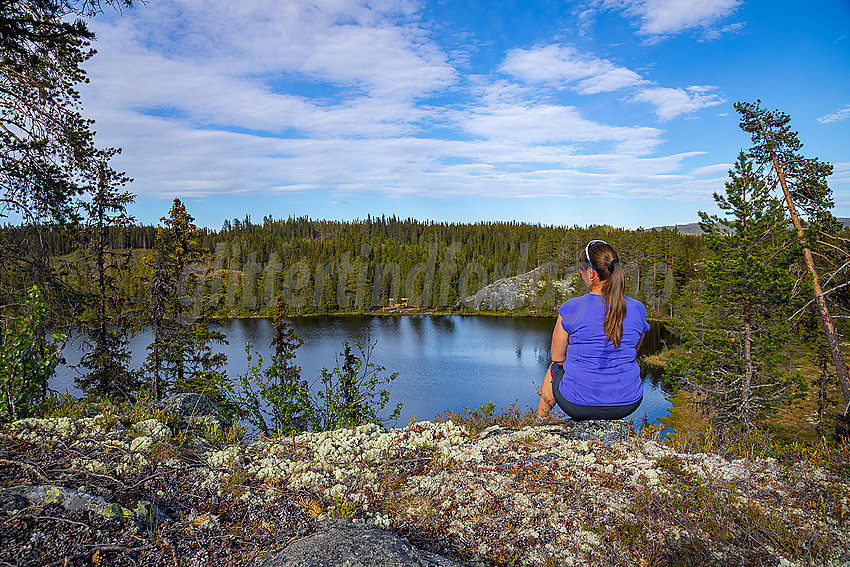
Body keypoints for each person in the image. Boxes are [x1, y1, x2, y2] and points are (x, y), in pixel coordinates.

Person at [537, 240, 649, 420]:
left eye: (582, 270)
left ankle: (538, 424)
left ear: (591, 273)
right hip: (628, 403)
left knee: (553, 369)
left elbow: (558, 358)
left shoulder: (572, 307)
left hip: (578, 405)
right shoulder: (638, 309)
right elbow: (633, 351)